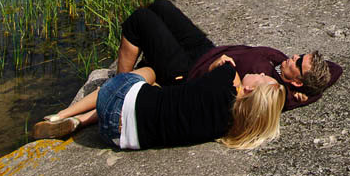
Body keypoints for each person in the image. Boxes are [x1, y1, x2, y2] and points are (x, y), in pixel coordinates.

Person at [118, 0, 342, 111]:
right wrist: (313, 93)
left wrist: (300, 96)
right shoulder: (292, 75)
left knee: (141, 20)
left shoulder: (270, 91)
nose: (294, 56)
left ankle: (119, 87)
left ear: (296, 81)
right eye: (300, 55)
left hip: (188, 72)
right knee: (161, 6)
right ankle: (146, 66)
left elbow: (239, 104)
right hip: (206, 50)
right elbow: (335, 70)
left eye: (299, 62)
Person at [33, 62, 285, 151]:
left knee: (148, 73)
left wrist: (231, 73)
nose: (260, 73)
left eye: (263, 77)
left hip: (114, 101)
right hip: (117, 138)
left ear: (250, 90)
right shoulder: (228, 128)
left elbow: (219, 69)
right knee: (154, 95)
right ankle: (81, 122)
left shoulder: (225, 81)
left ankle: (63, 114)